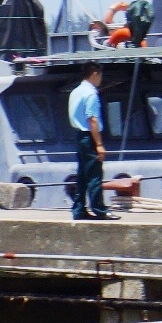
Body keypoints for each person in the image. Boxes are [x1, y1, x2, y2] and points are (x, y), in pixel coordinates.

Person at [67, 63, 115, 221]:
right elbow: (92, 119)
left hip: (80, 136)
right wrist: (99, 145)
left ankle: (79, 208)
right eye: (100, 75)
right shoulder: (91, 93)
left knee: (82, 175)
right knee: (94, 174)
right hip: (89, 137)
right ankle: (100, 209)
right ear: (94, 74)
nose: (101, 79)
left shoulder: (75, 92)